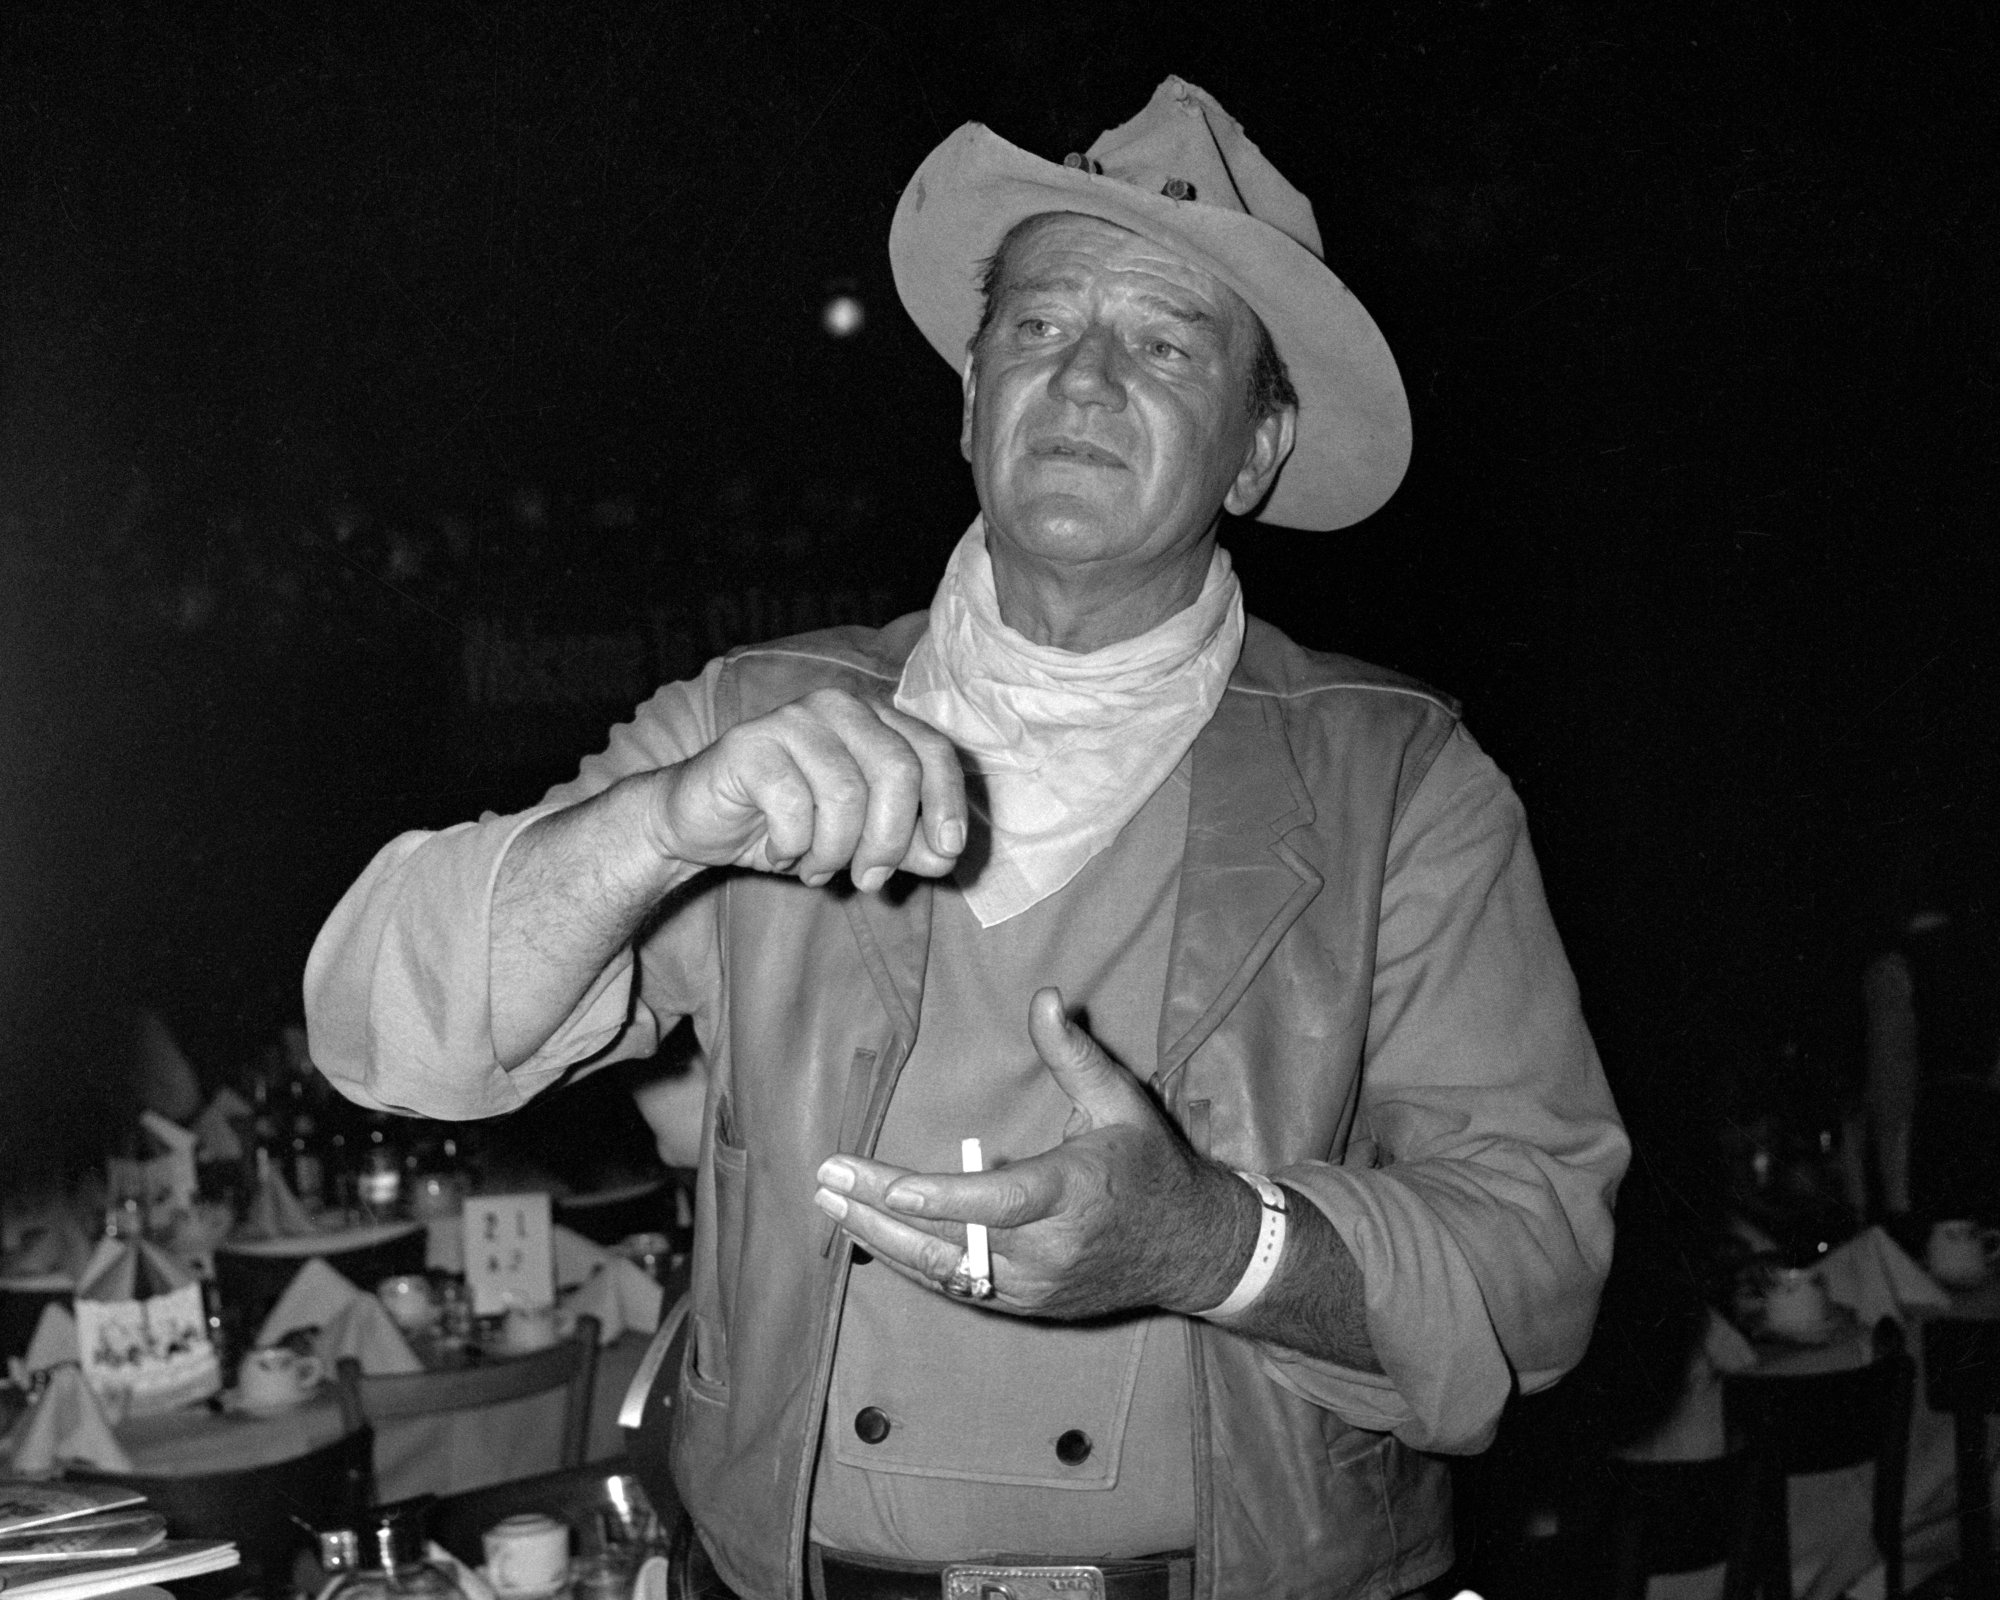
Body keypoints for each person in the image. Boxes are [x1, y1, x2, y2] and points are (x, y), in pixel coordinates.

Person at [306, 78, 1627, 1600]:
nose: (1083, 380)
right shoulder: (755, 717)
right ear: (968, 400)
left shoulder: (1402, 785)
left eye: (1165, 344)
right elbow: (383, 1036)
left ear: (1257, 450)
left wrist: (1213, 1246)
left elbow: (1538, 1268)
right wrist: (657, 827)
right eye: (1040, 326)